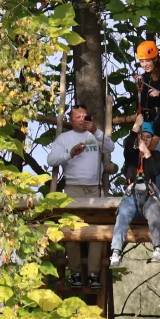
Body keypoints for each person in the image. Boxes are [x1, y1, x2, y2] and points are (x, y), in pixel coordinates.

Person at [48, 104, 116, 288]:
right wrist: (70, 154)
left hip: (94, 188)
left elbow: (111, 148)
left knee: (96, 232)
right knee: (72, 231)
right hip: (73, 188)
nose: (81, 120)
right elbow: (51, 160)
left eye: (84, 117)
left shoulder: (95, 135)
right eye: (77, 117)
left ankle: (93, 274)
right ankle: (76, 273)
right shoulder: (64, 138)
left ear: (90, 119)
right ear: (71, 120)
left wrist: (96, 131)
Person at [110, 123, 160, 266]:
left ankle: (157, 248)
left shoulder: (155, 155)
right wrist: (136, 126)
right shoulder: (131, 155)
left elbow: (155, 170)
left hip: (149, 194)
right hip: (132, 194)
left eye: (148, 137)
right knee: (123, 215)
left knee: (154, 214)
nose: (145, 139)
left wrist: (147, 153)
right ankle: (116, 251)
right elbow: (127, 146)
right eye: (142, 137)